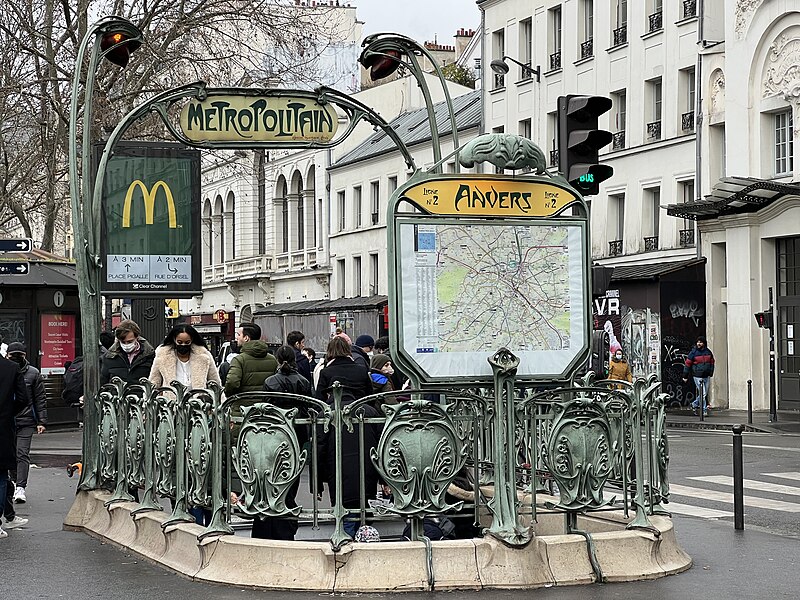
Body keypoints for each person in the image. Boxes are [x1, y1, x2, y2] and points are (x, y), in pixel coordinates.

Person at [315, 336, 381, 537]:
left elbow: (318, 400)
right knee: (362, 483)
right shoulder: (361, 370)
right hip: (361, 423)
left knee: (341, 483)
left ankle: (345, 534)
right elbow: (370, 396)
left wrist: (318, 478)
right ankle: (364, 529)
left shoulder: (326, 372)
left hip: (336, 427)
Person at [247, 345, 312, 540]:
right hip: (296, 433)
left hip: (274, 434)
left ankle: (269, 524)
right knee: (291, 478)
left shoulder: (270, 381)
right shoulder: (303, 381)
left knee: (271, 479)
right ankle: (287, 523)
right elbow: (308, 406)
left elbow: (266, 408)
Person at [6, 343, 47, 504]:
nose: (16, 358)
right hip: (7, 420)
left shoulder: (33, 373)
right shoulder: (5, 371)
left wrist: (41, 421)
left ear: (24, 356)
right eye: (13, 355)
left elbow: (39, 398)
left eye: (19, 355)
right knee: (10, 454)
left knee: (21, 453)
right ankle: (14, 481)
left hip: (26, 420)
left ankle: (20, 487)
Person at [0, 355, 28, 539]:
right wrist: (8, 411)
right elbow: (23, 398)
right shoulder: (11, 368)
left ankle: (9, 516)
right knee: (1, 475)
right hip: (3, 427)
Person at [149, 324, 221, 389]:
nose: (183, 345)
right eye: (179, 342)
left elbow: (215, 383)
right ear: (174, 339)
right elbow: (154, 382)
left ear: (192, 340)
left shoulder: (204, 356)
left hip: (198, 398)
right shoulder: (162, 356)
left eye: (187, 342)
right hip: (171, 399)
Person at [224, 322, 278, 396]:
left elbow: (232, 382)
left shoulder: (239, 360)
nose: (236, 338)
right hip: (266, 401)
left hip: (244, 401)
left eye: (238, 335)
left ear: (246, 338)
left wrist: (229, 394)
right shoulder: (273, 359)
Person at [100, 320, 156, 386]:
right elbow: (104, 382)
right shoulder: (109, 357)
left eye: (130, 341)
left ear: (137, 337)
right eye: (123, 342)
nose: (126, 345)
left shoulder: (149, 355)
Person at [683, 335, 715, 415]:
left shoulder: (708, 352)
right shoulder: (693, 353)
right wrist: (685, 376)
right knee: (703, 393)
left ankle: (694, 404)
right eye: (698, 342)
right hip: (697, 375)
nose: (699, 344)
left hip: (706, 375)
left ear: (704, 343)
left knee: (704, 393)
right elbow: (687, 364)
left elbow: (712, 362)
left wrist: (711, 372)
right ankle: (704, 410)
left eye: (700, 342)